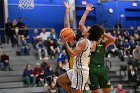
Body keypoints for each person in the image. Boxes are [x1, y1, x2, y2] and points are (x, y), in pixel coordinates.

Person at [79, 3, 115, 93]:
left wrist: (100, 31)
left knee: (108, 90)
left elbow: (113, 39)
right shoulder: (87, 40)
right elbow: (81, 24)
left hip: (102, 68)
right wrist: (86, 12)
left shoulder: (103, 43)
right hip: (91, 69)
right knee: (95, 92)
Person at [57, 2, 92, 93]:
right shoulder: (78, 39)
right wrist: (67, 10)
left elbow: (72, 54)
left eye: (87, 28)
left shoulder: (85, 42)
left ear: (88, 33)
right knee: (60, 81)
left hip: (81, 69)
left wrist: (65, 43)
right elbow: (67, 26)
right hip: (74, 68)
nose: (85, 28)